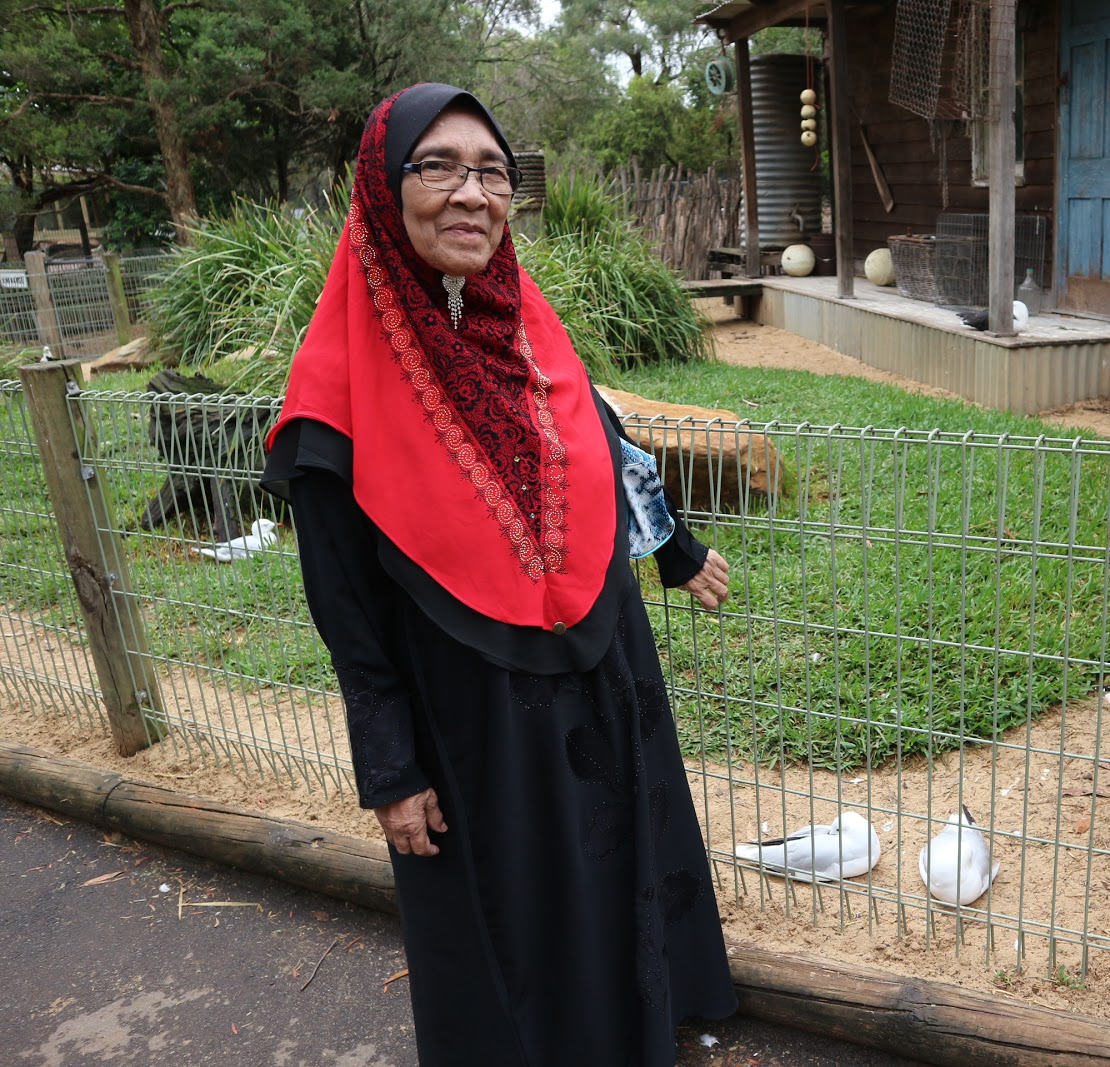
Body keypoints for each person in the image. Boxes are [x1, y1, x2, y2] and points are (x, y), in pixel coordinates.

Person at [260, 83, 737, 1066]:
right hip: (470, 708)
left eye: (492, 172)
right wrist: (390, 769)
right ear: (382, 188)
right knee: (513, 907)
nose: (470, 193)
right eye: (437, 166)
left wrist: (675, 549)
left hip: (603, 655)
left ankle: (642, 1032)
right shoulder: (332, 395)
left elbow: (603, 447)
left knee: (621, 855)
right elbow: (344, 605)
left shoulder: (528, 325)